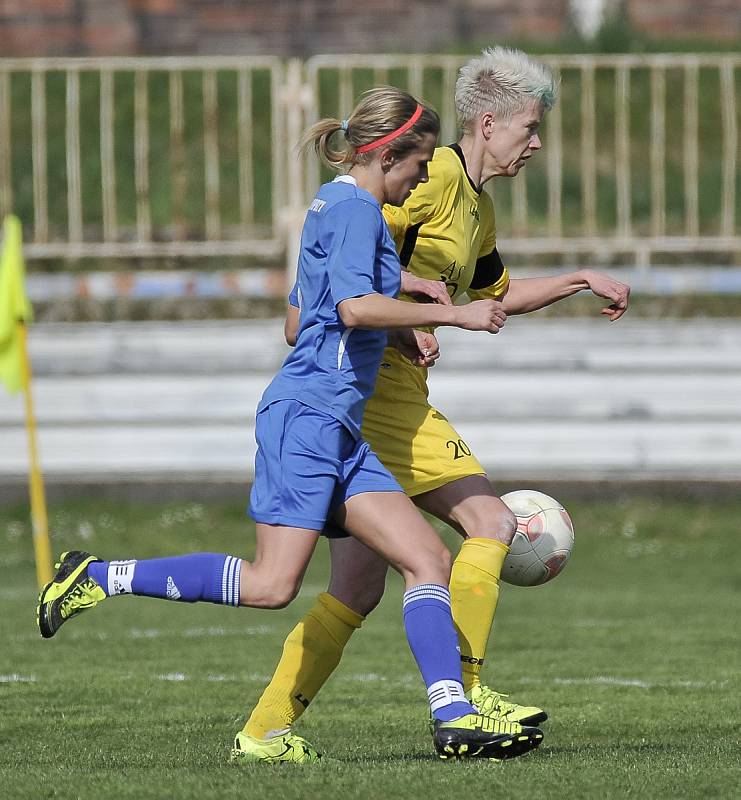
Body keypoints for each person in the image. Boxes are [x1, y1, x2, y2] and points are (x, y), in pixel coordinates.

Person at [37, 86, 545, 762]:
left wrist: (406, 295)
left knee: (425, 559)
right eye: (418, 164)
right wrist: (448, 313)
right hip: (307, 416)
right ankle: (100, 577)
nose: (424, 177)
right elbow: (354, 311)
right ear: (389, 154)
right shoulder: (359, 211)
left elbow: (300, 319)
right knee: (271, 586)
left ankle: (452, 716)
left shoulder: (332, 206)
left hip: (337, 422)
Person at [235, 46, 631, 763]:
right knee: (489, 519)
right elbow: (352, 277)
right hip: (376, 393)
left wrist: (576, 280)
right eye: (529, 129)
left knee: (355, 590)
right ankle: (469, 698)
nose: (535, 144)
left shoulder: (474, 206)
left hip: (374, 396)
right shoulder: (429, 179)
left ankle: (264, 730)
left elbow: (494, 294)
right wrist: (420, 310)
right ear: (489, 123)